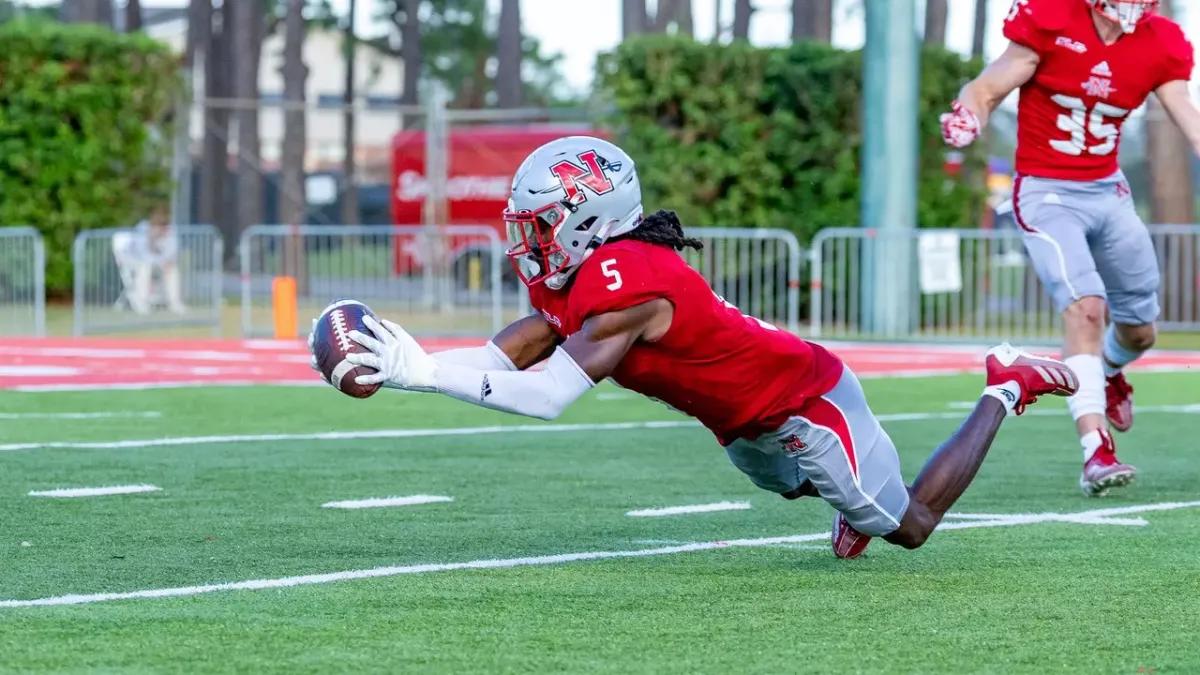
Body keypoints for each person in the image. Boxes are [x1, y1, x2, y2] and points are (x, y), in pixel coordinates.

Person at [312, 137, 1079, 559]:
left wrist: (425, 373)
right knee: (783, 484)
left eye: (540, 221)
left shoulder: (630, 277)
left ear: (588, 219)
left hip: (804, 400)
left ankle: (1004, 385)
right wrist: (418, 364)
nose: (528, 237)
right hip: (742, 420)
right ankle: (844, 498)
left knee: (906, 527)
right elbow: (511, 354)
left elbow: (548, 395)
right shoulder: (584, 272)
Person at [940, 0, 1200, 496]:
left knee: (1141, 332)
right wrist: (968, 113)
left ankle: (1107, 371)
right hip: (1045, 191)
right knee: (1085, 310)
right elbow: (988, 86)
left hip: (1109, 192)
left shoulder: (1159, 40)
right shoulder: (1052, 17)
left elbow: (1188, 114)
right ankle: (1095, 452)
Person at [114, 205, 187, 315]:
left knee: (172, 269)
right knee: (144, 268)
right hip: (136, 262)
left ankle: (175, 302)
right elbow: (141, 253)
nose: (162, 227)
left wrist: (165, 261)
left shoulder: (170, 231)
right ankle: (142, 302)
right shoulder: (143, 229)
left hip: (157, 263)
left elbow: (172, 251)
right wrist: (152, 240)